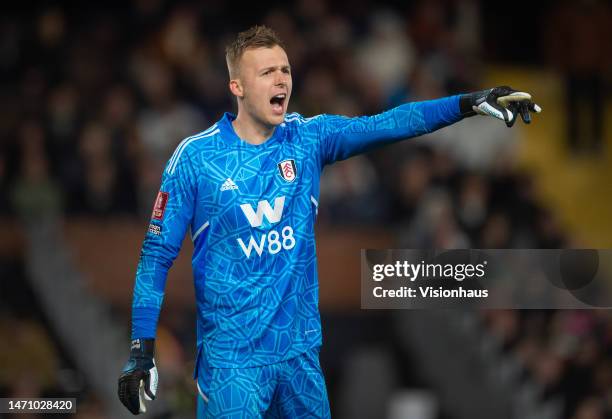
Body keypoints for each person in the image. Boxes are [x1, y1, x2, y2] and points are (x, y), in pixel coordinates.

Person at [118, 25, 541, 418]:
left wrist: (467, 103)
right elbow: (155, 255)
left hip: (300, 356)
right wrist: (141, 350)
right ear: (238, 86)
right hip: (233, 364)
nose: (282, 79)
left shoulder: (308, 139)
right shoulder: (196, 159)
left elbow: (389, 123)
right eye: (267, 72)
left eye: (285, 69)